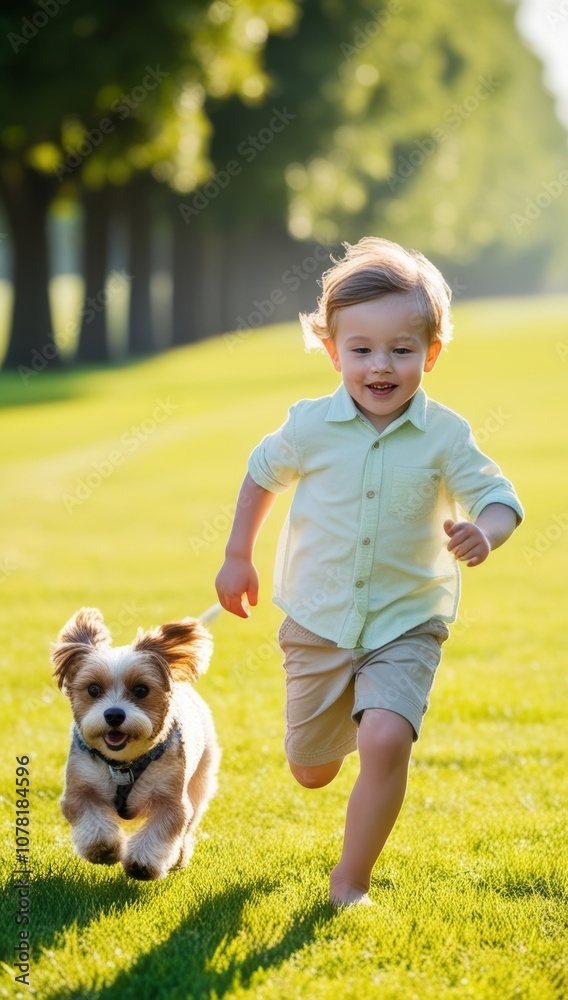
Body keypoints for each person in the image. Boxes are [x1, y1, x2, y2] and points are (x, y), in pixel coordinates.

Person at [215, 237, 523, 907]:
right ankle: (346, 717)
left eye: (402, 350)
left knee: (385, 737)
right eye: (361, 350)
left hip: (407, 620)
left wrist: (485, 533)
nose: (381, 366)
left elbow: (502, 500)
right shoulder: (310, 426)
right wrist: (238, 553)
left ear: (431, 353)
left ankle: (349, 882)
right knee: (311, 770)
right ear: (333, 351)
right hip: (318, 617)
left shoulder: (445, 435)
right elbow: (261, 474)